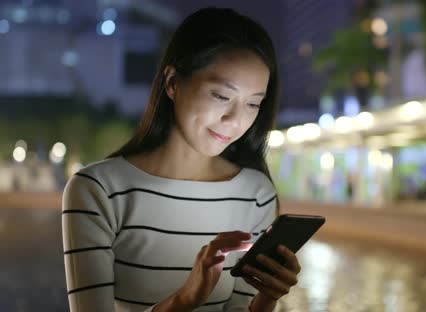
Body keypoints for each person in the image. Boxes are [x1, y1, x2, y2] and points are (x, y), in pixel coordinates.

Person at [62, 8, 300, 312]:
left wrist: (267, 297)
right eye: (221, 96)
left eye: (253, 103)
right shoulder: (99, 190)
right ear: (173, 83)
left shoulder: (255, 194)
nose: (235, 120)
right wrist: (183, 300)